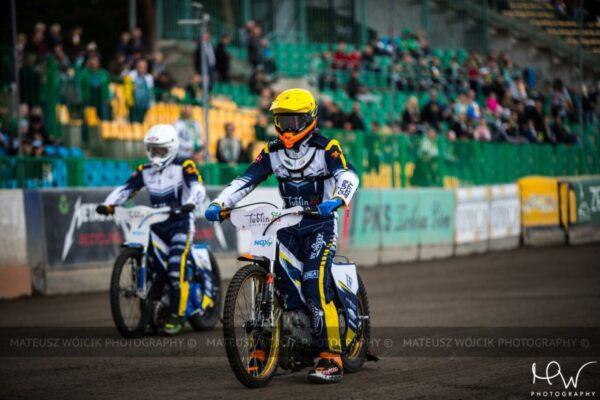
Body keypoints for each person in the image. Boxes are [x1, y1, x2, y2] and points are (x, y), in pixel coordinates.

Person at [205, 88, 359, 384]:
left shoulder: (327, 147)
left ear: (310, 119)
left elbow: (348, 176)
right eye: (282, 120)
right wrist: (219, 203)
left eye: (294, 120)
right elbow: (245, 180)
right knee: (274, 281)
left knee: (313, 283)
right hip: (286, 225)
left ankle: (331, 357)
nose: (287, 127)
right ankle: (264, 350)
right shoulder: (272, 151)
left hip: (320, 225)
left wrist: (338, 199)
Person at [97, 124, 206, 335]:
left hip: (180, 223)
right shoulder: (144, 170)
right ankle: (151, 312)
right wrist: (109, 203)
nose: (155, 155)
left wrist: (191, 202)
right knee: (156, 270)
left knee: (175, 269)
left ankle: (176, 316)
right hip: (155, 225)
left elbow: (197, 186)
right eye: (152, 149)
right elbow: (126, 189)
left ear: (172, 148)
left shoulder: (185, 165)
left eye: (161, 150)